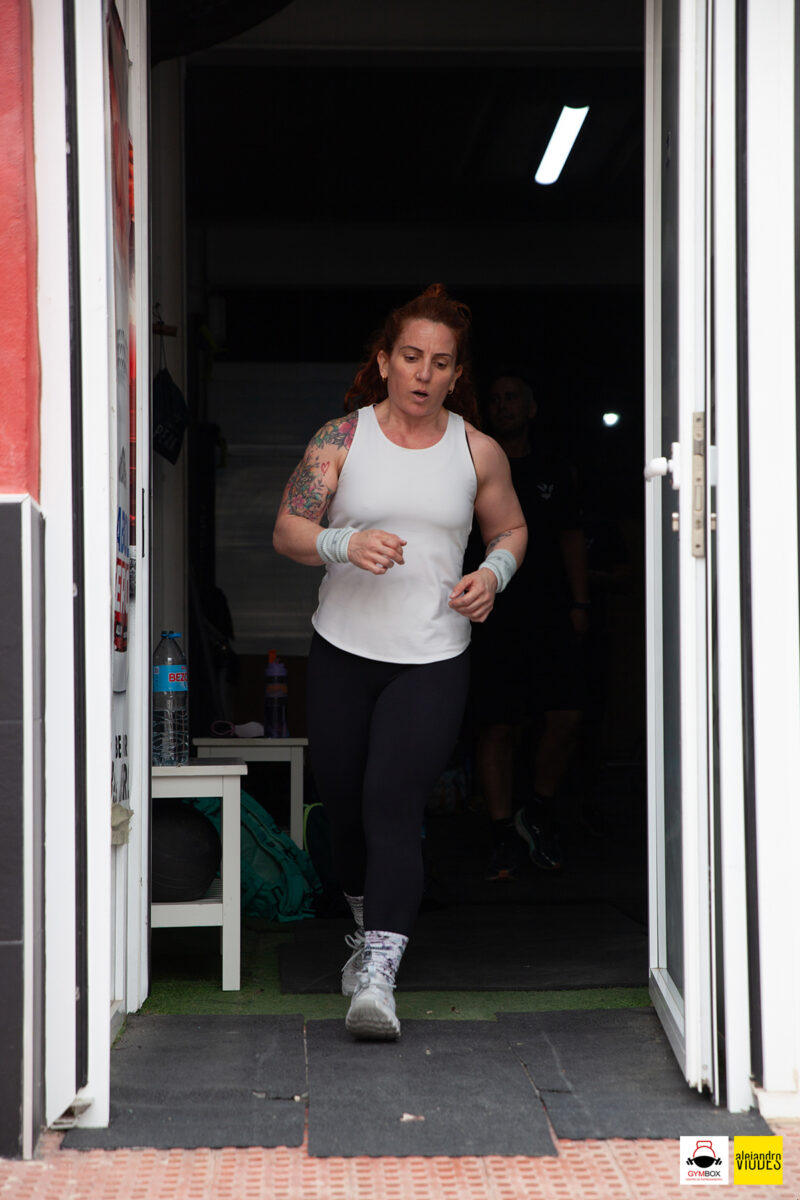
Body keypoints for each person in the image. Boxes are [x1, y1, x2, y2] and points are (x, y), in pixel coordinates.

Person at [273, 285, 526, 1040]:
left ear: (456, 375)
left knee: (392, 803)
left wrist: (494, 574)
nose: (424, 373)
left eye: (440, 363)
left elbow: (511, 529)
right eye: (411, 357)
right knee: (346, 809)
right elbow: (288, 529)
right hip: (344, 650)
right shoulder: (340, 439)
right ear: (384, 361)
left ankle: (379, 978)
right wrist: (343, 542)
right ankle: (364, 929)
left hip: (432, 656)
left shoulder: (477, 450)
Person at [470, 374, 589, 881]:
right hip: (493, 611)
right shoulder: (473, 464)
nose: (504, 406)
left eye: (513, 398)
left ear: (532, 408)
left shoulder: (554, 469)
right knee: (497, 723)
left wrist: (580, 602)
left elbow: (571, 537)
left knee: (566, 715)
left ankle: (537, 810)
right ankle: (501, 833)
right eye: (496, 400)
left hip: (550, 611)